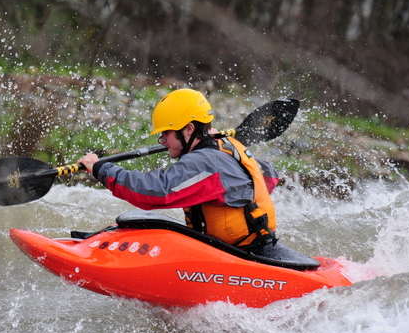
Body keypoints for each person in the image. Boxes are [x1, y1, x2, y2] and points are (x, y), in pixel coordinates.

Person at [78, 88, 279, 249]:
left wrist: (101, 169)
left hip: (242, 253)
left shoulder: (207, 161)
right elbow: (268, 177)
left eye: (166, 133)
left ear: (189, 129)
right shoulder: (229, 147)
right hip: (250, 245)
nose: (162, 140)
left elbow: (156, 192)